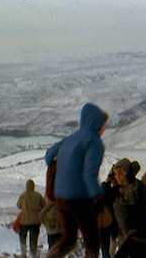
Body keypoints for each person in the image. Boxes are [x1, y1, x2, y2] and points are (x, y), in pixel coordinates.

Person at [44, 103, 109, 258]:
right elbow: (89, 173)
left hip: (61, 198)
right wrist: (98, 196)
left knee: (69, 239)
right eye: (103, 124)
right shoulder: (94, 142)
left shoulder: (69, 139)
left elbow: (48, 156)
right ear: (96, 123)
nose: (104, 128)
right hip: (79, 198)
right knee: (92, 241)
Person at [111, 158, 146, 258]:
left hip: (144, 232)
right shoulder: (117, 190)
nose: (117, 177)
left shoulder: (139, 187)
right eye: (115, 174)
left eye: (120, 174)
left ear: (126, 174)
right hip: (131, 233)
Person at [18, 179, 46, 258]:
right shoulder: (38, 195)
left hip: (24, 221)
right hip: (36, 220)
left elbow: (18, 205)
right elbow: (44, 206)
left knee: (23, 236)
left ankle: (23, 253)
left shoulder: (23, 195)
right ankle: (33, 254)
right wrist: (39, 212)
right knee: (34, 238)